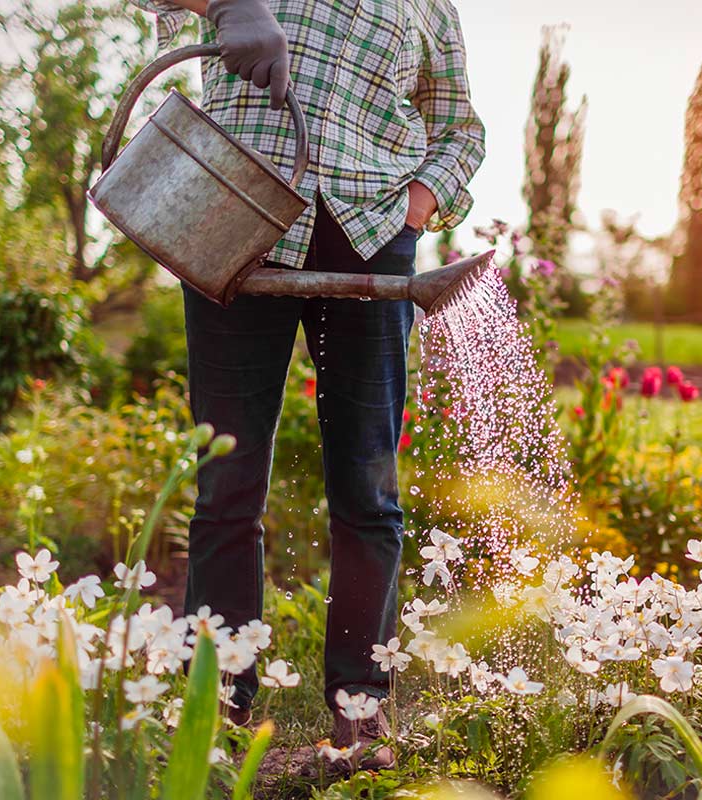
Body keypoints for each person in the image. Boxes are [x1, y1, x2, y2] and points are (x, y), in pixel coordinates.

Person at [128, 0, 485, 771]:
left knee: (368, 489)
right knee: (228, 482)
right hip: (233, 217)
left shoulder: (430, 8)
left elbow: (460, 130)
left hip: (369, 235)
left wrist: (415, 212)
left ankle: (361, 707)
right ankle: (216, 698)